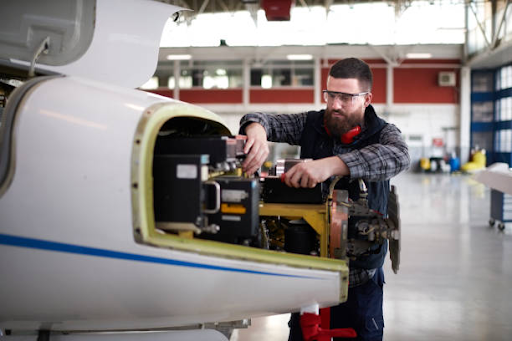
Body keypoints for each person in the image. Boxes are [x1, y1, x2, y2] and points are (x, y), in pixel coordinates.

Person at [239, 57, 410, 341]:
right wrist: (255, 128)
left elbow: (400, 157)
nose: (335, 105)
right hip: (310, 275)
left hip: (360, 278)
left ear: (367, 99)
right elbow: (264, 119)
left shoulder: (384, 134)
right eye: (330, 95)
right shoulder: (312, 124)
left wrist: (329, 165)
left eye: (346, 97)